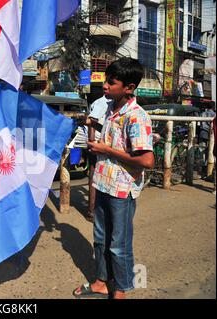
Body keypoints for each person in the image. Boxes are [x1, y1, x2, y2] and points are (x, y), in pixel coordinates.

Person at [73, 57, 154, 299]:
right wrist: (90, 123)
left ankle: (121, 290)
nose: (105, 86)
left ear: (129, 88)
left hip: (122, 190)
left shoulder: (136, 116)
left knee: (119, 245)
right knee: (100, 238)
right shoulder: (111, 110)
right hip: (103, 184)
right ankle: (100, 281)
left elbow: (147, 160)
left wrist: (105, 150)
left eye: (112, 82)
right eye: (106, 81)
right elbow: (113, 135)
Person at [85, 95, 113, 222]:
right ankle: (92, 211)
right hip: (98, 145)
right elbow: (92, 122)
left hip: (105, 145)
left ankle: (98, 210)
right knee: (95, 177)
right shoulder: (101, 102)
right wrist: (91, 143)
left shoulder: (113, 103)